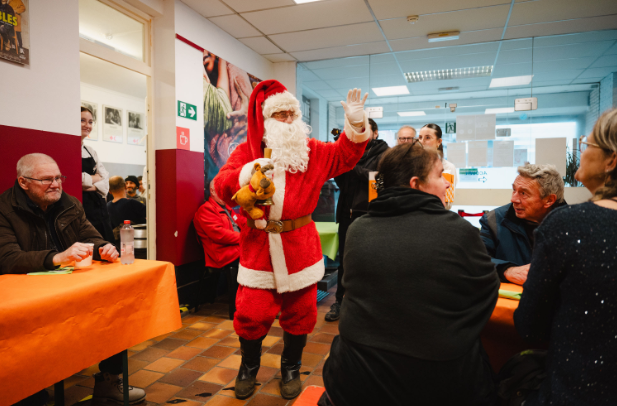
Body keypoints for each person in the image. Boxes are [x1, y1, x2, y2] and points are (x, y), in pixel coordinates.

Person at [213, 80, 370, 400]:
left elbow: (345, 155)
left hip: (301, 248)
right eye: (280, 114)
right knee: (251, 314)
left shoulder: (312, 152)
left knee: (301, 314)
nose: (288, 120)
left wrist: (355, 125)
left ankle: (291, 368)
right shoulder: (246, 152)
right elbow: (220, 186)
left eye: (292, 114)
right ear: (266, 120)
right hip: (258, 248)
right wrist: (247, 173)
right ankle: (248, 368)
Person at [320, 142, 499, 406]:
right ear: (416, 184)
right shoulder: (458, 231)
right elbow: (486, 295)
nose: (447, 183)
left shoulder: (359, 228)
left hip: (351, 380)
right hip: (433, 384)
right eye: (440, 175)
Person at [0, 153, 146, 405]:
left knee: (116, 304)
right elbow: (8, 258)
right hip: (26, 293)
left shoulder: (69, 203)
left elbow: (91, 236)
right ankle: (26, 388)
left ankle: (109, 380)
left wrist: (103, 248)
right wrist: (57, 257)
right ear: (23, 182)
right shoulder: (4, 209)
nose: (55, 184)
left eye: (59, 178)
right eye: (46, 179)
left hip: (69, 286)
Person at [513, 109, 617, 405]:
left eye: (587, 144)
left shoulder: (567, 225)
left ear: (611, 160)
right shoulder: (499, 221)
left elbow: (530, 326)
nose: (581, 151)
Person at [326, 118, 389, 321]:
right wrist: (342, 162)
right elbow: (342, 182)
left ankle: (369, 306)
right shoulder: (351, 152)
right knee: (344, 260)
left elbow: (379, 181)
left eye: (364, 130)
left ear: (375, 133)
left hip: (371, 216)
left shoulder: (385, 154)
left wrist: (352, 164)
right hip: (347, 214)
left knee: (371, 261)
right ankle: (339, 301)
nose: (360, 134)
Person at [479, 163, 566, 285]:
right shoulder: (493, 220)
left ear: (549, 200)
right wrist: (507, 270)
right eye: (514, 190)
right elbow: (476, 261)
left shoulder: (574, 226)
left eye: (523, 193)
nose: (513, 199)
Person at [193, 182, 247, 320]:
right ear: (212, 191)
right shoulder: (206, 210)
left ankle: (256, 302)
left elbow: (241, 222)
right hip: (222, 255)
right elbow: (219, 234)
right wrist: (245, 238)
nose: (225, 195)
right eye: (221, 191)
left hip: (236, 249)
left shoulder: (227, 208)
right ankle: (244, 307)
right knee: (257, 260)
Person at [81, 107, 115, 242]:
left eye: (90, 122)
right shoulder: (67, 149)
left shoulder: (90, 150)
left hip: (99, 209)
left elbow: (105, 179)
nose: (87, 125)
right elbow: (75, 180)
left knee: (107, 245)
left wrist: (91, 187)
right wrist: (95, 178)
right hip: (82, 208)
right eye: (82, 120)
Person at [418, 123, 457, 209]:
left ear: (439, 142)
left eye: (427, 138)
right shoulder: (414, 164)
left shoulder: (448, 167)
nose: (422, 141)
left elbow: (448, 203)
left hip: (437, 213)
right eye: (420, 137)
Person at [107, 176, 146, 246]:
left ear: (109, 190)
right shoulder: (133, 203)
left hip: (117, 245)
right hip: (137, 244)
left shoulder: (107, 207)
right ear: (125, 186)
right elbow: (151, 217)